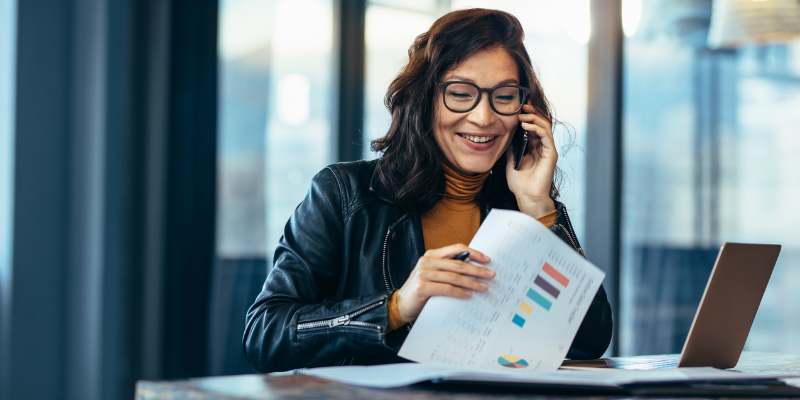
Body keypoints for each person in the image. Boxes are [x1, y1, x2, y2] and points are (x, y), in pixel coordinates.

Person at [244, 8, 612, 373]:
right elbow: (265, 334)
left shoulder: (523, 204)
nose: (484, 117)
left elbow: (588, 341)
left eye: (503, 96)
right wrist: (395, 308)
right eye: (461, 93)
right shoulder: (344, 194)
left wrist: (538, 207)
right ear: (424, 101)